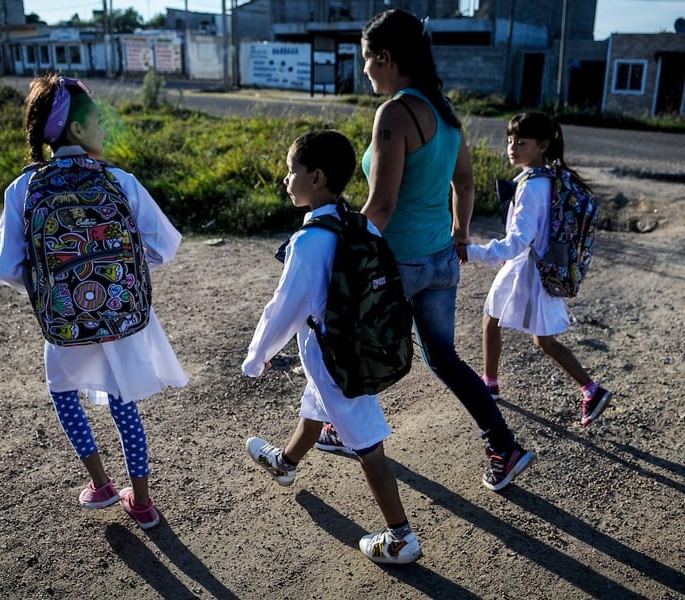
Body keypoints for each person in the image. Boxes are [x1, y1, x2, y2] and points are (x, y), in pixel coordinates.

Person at [315, 9, 534, 492]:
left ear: (386, 57)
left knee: (350, 343)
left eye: (367, 59)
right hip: (439, 260)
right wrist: (459, 236)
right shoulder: (445, 111)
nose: (366, 70)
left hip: (400, 263)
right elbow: (466, 183)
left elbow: (383, 205)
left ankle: (342, 429)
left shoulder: (394, 113)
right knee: (443, 359)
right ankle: (503, 445)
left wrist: (336, 242)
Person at [0, 73, 188, 529]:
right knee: (122, 400)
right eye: (97, 119)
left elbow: (4, 266)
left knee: (63, 392)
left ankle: (100, 484)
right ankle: (144, 501)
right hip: (121, 311)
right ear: (76, 130)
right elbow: (165, 245)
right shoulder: (119, 180)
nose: (103, 127)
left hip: (64, 323)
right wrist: (123, 269)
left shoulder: (24, 190)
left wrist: (52, 286)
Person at [242, 130, 422, 565]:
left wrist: (258, 355)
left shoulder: (309, 242)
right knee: (315, 405)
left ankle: (401, 538)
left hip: (335, 359)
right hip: (351, 348)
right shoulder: (355, 223)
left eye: (292, 172)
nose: (287, 180)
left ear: (317, 177)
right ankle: (285, 463)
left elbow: (282, 308)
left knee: (367, 442)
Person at [460, 111, 613, 426]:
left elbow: (517, 241)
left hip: (530, 271)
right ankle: (490, 382)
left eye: (521, 142)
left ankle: (591, 389)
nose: (512, 147)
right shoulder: (546, 179)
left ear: (543, 145)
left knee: (537, 338)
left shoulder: (532, 186)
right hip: (532, 268)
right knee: (496, 320)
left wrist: (472, 252)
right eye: (510, 140)